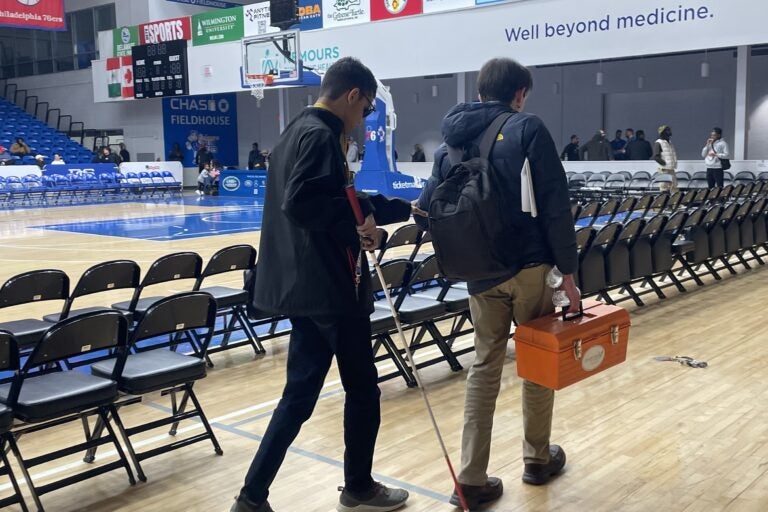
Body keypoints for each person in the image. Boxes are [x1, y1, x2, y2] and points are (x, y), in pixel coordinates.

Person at [233, 57, 419, 512]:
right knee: (362, 389)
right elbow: (305, 203)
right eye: (368, 108)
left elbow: (335, 201)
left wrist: (373, 215)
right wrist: (358, 226)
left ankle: (251, 497)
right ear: (352, 95)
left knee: (297, 397)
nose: (365, 118)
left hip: (307, 287)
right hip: (331, 287)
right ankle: (358, 486)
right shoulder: (320, 135)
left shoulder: (297, 129)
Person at [415, 57, 579, 510]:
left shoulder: (450, 142)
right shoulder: (528, 129)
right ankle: (536, 458)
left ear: (481, 90)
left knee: (484, 367)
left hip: (477, 273)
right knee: (535, 361)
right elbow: (555, 206)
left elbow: (427, 208)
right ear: (519, 93)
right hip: (528, 269)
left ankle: (469, 478)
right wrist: (567, 272)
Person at [653, 125, 678, 192]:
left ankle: (674, 201)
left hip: (671, 168)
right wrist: (664, 163)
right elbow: (656, 156)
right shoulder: (658, 143)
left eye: (669, 130)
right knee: (664, 186)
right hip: (664, 169)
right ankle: (664, 201)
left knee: (674, 186)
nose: (669, 132)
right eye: (667, 130)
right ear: (662, 132)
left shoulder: (669, 142)